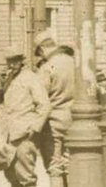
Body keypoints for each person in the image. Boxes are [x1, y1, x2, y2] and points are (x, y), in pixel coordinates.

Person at [2, 45, 52, 187]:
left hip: (24, 135)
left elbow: (45, 105)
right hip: (9, 135)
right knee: (11, 174)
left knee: (26, 176)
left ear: (21, 61)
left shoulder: (31, 78)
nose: (11, 65)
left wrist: (35, 128)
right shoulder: (9, 78)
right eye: (9, 61)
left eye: (15, 61)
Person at [33, 30, 74, 187]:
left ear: (42, 49)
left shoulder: (47, 67)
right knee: (70, 164)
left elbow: (40, 98)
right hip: (75, 120)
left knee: (55, 166)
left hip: (53, 124)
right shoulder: (73, 61)